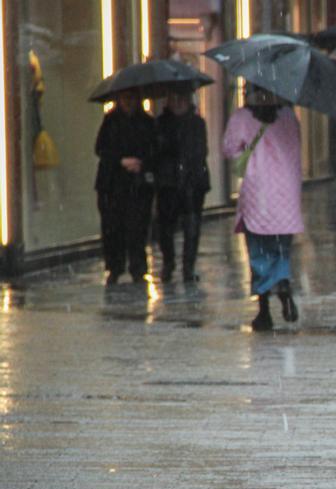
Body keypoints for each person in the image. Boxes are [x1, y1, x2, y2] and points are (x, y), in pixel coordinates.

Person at [222, 88, 304, 331]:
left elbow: (229, 149)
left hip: (258, 193)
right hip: (286, 194)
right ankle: (283, 283)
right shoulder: (288, 116)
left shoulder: (242, 117)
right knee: (281, 248)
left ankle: (264, 311)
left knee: (259, 252)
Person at [94, 88, 156, 286]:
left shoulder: (147, 123)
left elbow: (155, 151)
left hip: (137, 185)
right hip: (112, 184)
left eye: (132, 98)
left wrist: (141, 163)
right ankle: (114, 266)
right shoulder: (110, 121)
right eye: (125, 98)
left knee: (137, 228)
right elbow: (101, 149)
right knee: (113, 227)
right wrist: (121, 160)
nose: (128, 102)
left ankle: (138, 267)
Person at [154, 89, 210, 284]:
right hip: (168, 183)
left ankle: (188, 266)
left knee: (192, 226)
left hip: (193, 183)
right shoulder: (161, 123)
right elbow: (156, 151)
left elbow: (201, 151)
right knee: (165, 227)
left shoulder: (197, 123)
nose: (178, 103)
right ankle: (168, 263)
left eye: (181, 99)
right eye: (173, 98)